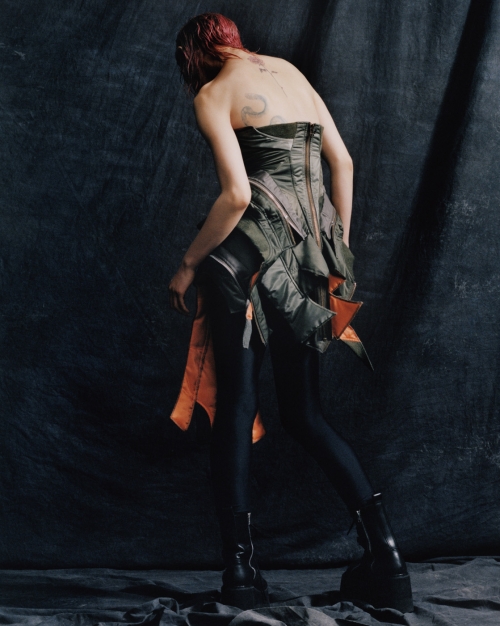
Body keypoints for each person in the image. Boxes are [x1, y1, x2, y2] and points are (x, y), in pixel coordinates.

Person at [169, 13, 413, 614]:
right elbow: (343, 164)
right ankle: (386, 558)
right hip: (311, 257)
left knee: (236, 409)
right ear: (232, 38)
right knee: (305, 413)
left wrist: (187, 265)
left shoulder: (211, 93)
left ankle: (240, 573)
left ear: (195, 55)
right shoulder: (291, 72)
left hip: (240, 265)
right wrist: (336, 253)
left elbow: (238, 195)